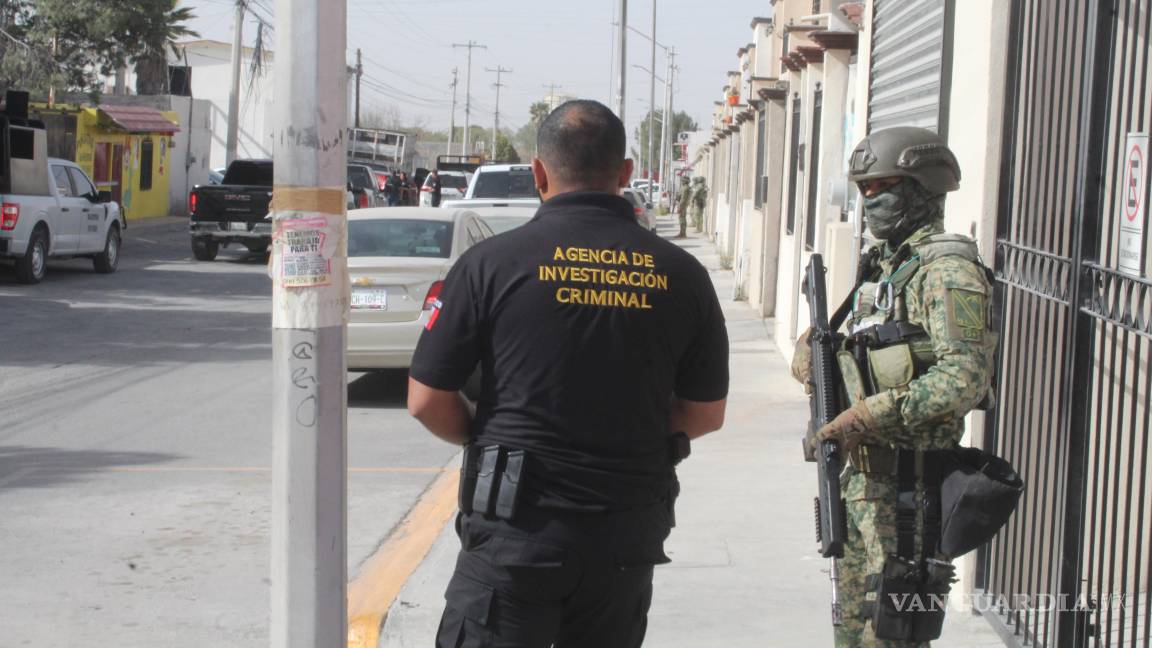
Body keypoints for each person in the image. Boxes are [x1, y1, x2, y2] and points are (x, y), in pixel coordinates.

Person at [407, 99, 729, 648]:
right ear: (626, 173)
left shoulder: (490, 265)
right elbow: (704, 413)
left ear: (538, 173)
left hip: (513, 533)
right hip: (624, 538)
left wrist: (487, 440)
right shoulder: (683, 274)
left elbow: (425, 399)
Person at [791, 127, 996, 647]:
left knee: (897, 636)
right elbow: (868, 351)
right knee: (854, 635)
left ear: (922, 187)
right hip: (860, 486)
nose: (869, 201)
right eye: (863, 189)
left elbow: (963, 378)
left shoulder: (948, 270)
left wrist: (865, 417)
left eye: (880, 187)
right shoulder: (885, 264)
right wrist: (816, 356)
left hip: (910, 498)